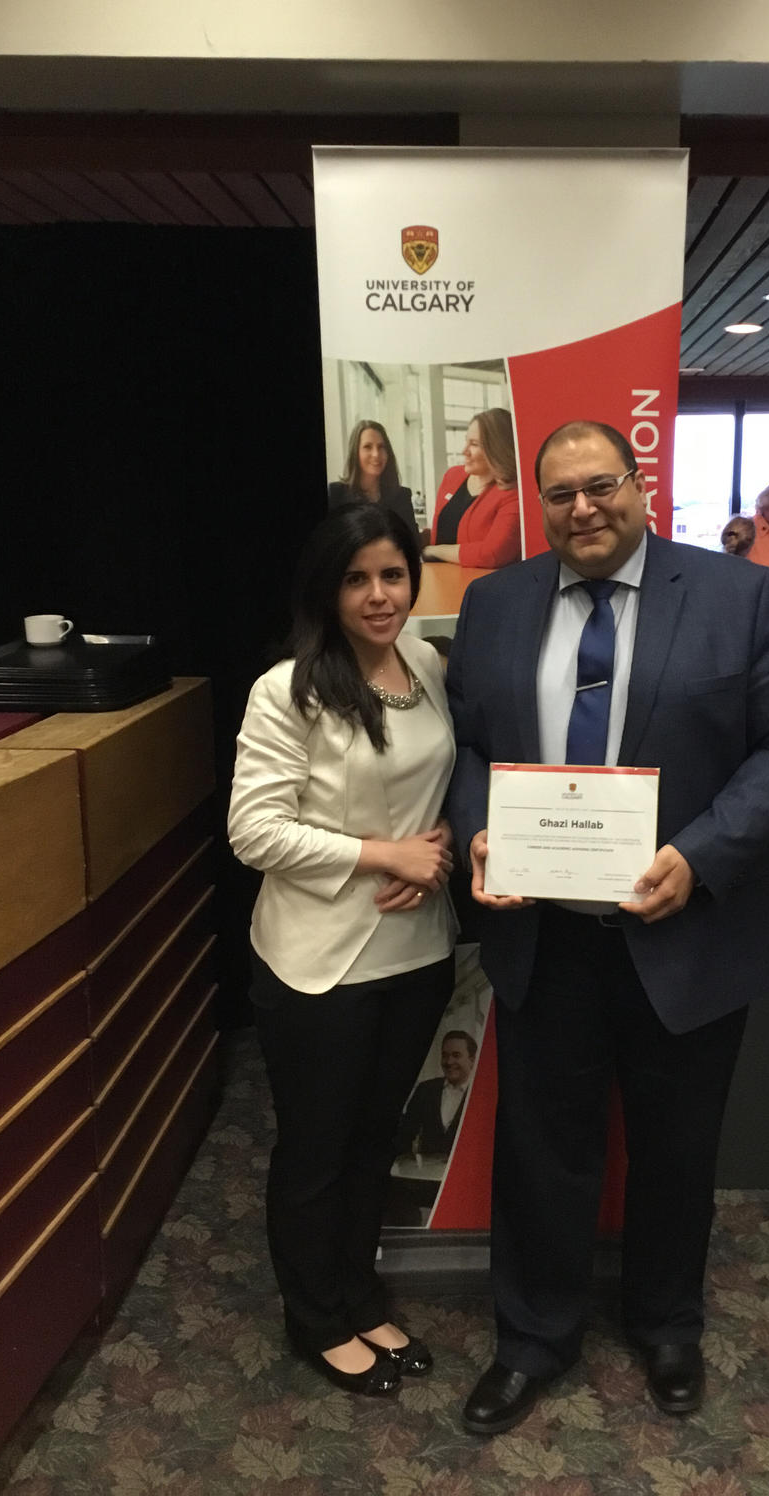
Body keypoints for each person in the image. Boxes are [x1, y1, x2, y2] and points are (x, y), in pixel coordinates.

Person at [447, 419, 769, 1434]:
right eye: (561, 492)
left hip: (687, 927)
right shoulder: (494, 604)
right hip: (547, 932)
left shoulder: (737, 596)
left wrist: (701, 855)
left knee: (677, 1144)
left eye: (601, 484)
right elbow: (469, 746)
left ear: (640, 485)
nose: (583, 507)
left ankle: (668, 1325)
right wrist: (479, 830)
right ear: (541, 502)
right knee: (542, 1148)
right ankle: (533, 1337)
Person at [228, 503, 456, 1398]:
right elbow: (254, 832)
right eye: (357, 578)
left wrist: (433, 842)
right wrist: (381, 853)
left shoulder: (428, 666)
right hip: (317, 960)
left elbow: (440, 780)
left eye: (392, 575)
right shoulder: (288, 688)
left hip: (414, 951)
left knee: (373, 1141)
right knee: (316, 1147)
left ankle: (359, 1293)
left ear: (413, 579)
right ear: (329, 587)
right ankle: (313, 1315)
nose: (377, 595)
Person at [423, 408, 522, 569]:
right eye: (466, 441)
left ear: (497, 449)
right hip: (437, 579)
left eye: (474, 444)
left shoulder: (513, 493)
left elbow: (493, 554)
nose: (464, 451)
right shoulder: (452, 476)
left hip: (484, 586)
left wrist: (433, 551)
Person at [328, 419, 419, 543]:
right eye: (367, 447)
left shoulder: (401, 496)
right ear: (356, 452)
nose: (376, 454)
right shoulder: (336, 494)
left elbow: (413, 543)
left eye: (381, 447)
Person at [396, 1029, 477, 1159]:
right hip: (425, 1175)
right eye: (445, 1055)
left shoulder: (481, 1093)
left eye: (456, 1055)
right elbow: (404, 1135)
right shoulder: (425, 1089)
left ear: (472, 1060)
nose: (449, 1062)